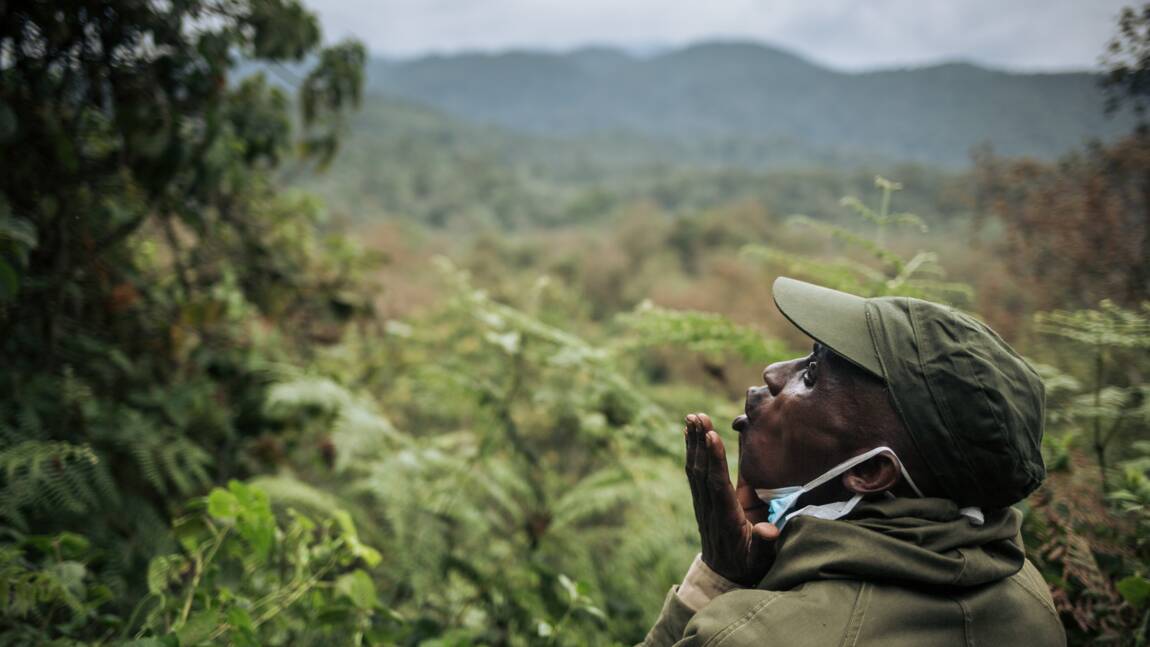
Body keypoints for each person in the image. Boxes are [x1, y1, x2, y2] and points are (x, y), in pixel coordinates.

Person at [639, 277, 1066, 646]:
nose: (772, 373)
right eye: (807, 357)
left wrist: (716, 579)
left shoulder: (753, 636)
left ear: (870, 472)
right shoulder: (1032, 602)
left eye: (810, 377)